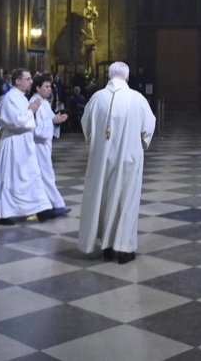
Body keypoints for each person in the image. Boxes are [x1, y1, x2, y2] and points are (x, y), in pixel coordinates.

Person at [78, 62, 156, 264]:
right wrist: (141, 143)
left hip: (101, 160)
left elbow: (87, 127)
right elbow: (148, 128)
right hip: (129, 160)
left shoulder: (96, 98)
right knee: (126, 201)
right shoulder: (137, 98)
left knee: (102, 200)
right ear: (127, 78)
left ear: (108, 77)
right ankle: (124, 249)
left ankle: (107, 246)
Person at [0, 69, 56, 226]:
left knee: (32, 175)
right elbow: (15, 121)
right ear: (17, 81)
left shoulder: (21, 97)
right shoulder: (10, 98)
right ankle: (3, 213)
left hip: (24, 143)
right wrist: (31, 110)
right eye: (28, 79)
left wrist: (31, 111)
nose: (31, 82)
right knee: (11, 178)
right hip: (14, 143)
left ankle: (42, 208)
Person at [30, 74, 70, 219]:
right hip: (38, 145)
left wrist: (57, 119)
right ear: (37, 88)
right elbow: (36, 128)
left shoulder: (44, 102)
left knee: (45, 175)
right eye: (46, 87)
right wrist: (54, 121)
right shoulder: (35, 102)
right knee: (46, 175)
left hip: (45, 144)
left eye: (50, 87)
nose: (49, 90)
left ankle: (48, 205)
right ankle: (55, 205)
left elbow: (50, 119)